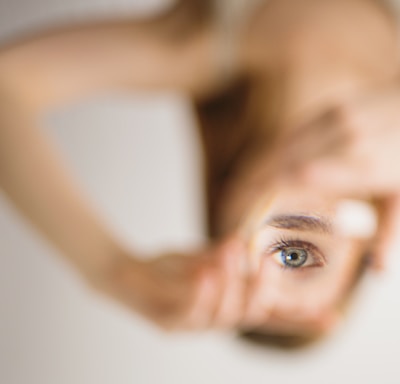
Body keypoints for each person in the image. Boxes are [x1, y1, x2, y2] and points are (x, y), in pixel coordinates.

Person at [0, 0, 399, 336]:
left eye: (241, 268)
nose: (267, 264)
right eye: (295, 256)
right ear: (378, 228)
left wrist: (111, 271)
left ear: (226, 200)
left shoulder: (202, 42)